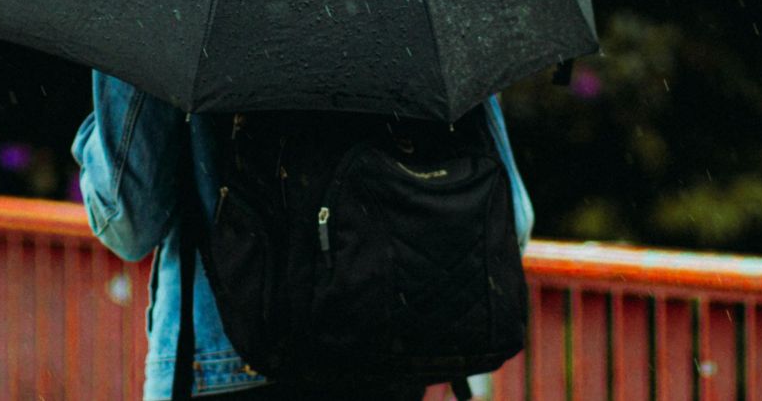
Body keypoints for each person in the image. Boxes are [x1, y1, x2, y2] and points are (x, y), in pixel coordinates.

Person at [72, 69, 535, 400]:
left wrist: (98, 131)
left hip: (226, 362)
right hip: (381, 361)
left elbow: (128, 221)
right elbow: (514, 220)